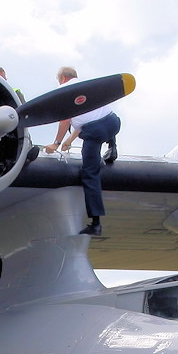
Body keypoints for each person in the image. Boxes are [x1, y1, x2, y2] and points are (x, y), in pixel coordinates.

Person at [41, 67, 122, 236]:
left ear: (62, 78)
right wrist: (69, 141)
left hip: (95, 132)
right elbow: (87, 118)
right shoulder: (89, 86)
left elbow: (66, 120)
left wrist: (56, 143)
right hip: (113, 124)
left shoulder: (64, 90)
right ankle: (112, 147)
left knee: (90, 174)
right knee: (102, 125)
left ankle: (96, 223)